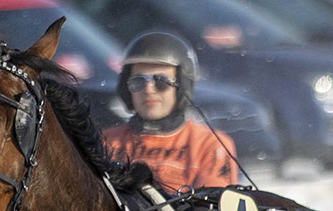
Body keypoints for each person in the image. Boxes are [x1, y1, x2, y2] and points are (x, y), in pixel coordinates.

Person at [100, 33, 238, 191]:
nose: (148, 90)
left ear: (182, 87)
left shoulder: (209, 145)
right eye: (138, 81)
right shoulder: (106, 142)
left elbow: (212, 203)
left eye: (161, 81)